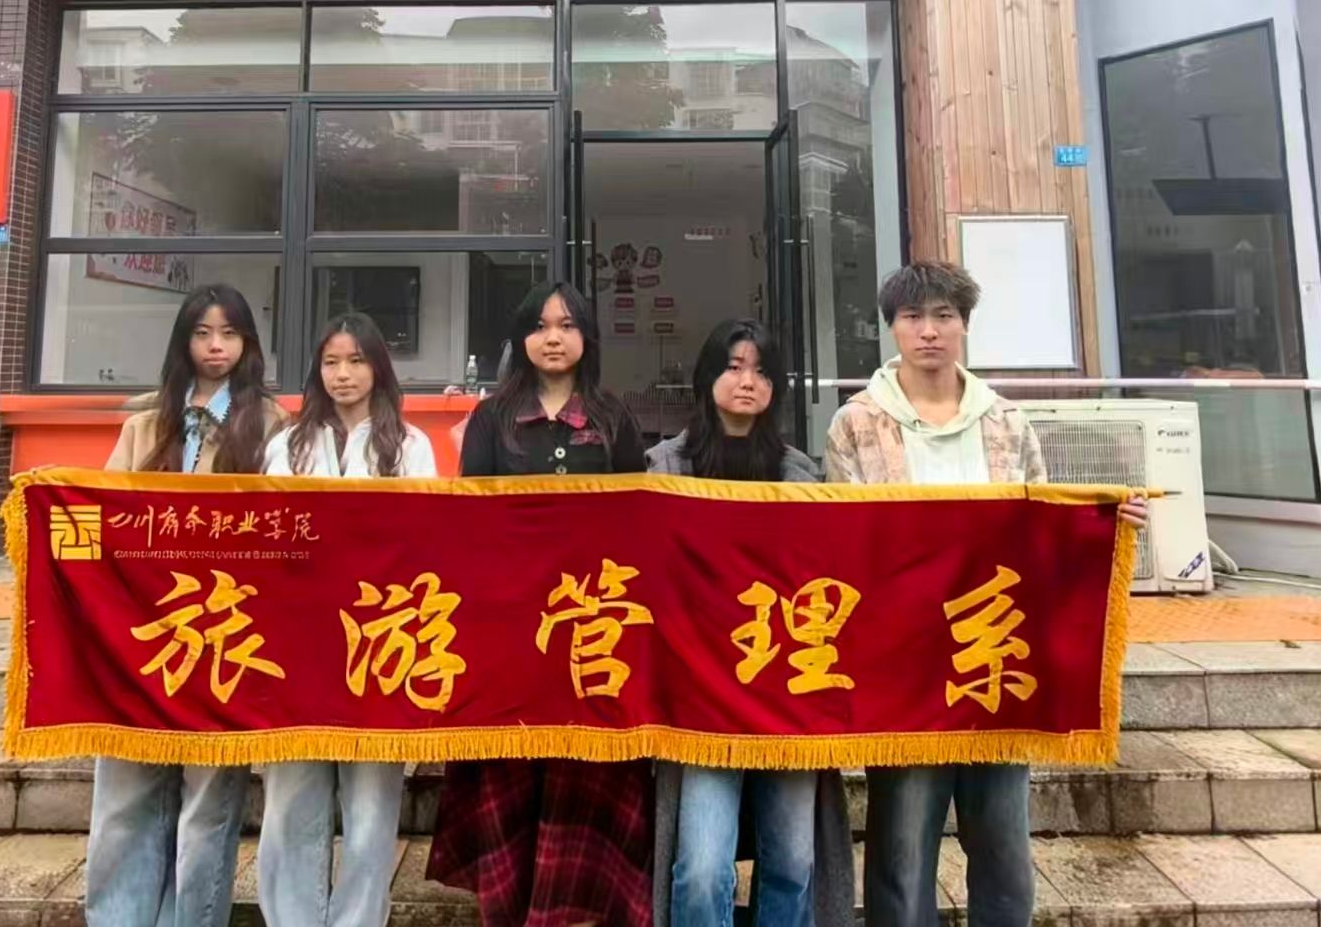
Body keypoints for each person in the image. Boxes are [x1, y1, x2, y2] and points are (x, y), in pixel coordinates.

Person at [824, 262, 1146, 927]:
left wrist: (1105, 522)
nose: (929, 331)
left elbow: (1042, 526)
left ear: (964, 325)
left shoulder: (1005, 422)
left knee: (1002, 840)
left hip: (995, 656)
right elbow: (841, 543)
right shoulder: (855, 423)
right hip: (906, 665)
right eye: (913, 317)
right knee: (903, 842)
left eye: (944, 316)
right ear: (892, 328)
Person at [426, 280, 653, 927]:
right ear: (522, 337)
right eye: (541, 326)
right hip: (509, 638)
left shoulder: (613, 419)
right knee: (513, 778)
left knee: (586, 783)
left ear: (587, 337)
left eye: (568, 325)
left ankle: (576, 908)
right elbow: (470, 522)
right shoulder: (492, 419)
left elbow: (637, 523)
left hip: (591, 642)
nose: (554, 338)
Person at [86, 284, 283, 927]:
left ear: (248, 343)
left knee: (208, 805)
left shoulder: (270, 425)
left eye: (229, 333)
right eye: (202, 333)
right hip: (144, 634)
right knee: (124, 795)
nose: (216, 346)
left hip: (225, 636)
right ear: (184, 342)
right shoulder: (144, 424)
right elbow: (103, 518)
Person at [647, 319, 854, 927]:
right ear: (707, 377)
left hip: (787, 697)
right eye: (734, 367)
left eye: (761, 371)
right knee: (702, 866)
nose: (747, 382)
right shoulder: (665, 468)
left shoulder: (803, 476)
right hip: (702, 701)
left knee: (792, 860)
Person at [258, 312, 436, 927]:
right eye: (331, 362)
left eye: (356, 361)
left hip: (377, 647)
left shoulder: (410, 446)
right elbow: (269, 542)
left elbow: (425, 544)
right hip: (299, 650)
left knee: (370, 810)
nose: (343, 374)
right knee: (289, 805)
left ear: (378, 368)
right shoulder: (287, 445)